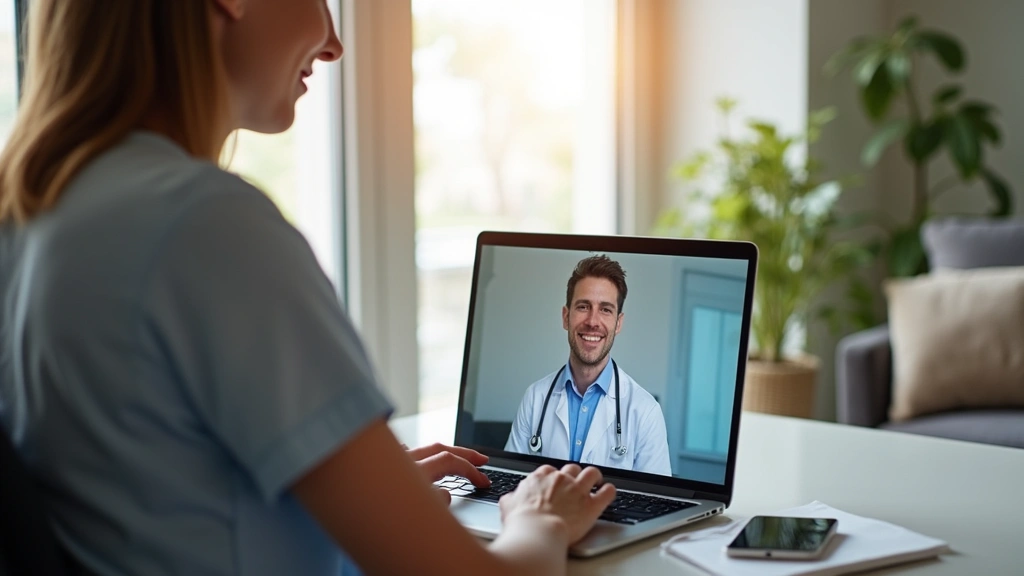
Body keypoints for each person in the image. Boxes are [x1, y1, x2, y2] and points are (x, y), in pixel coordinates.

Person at [0, 1, 617, 575]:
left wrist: (349, 481)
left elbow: (153, 483)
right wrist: (541, 520)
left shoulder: (35, 213)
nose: (333, 43)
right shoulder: (206, 225)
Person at [505, 255, 672, 476]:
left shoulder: (646, 412)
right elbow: (509, 484)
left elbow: (657, 502)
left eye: (605, 309)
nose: (593, 322)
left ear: (618, 323)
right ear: (566, 317)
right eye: (583, 306)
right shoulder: (535, 398)